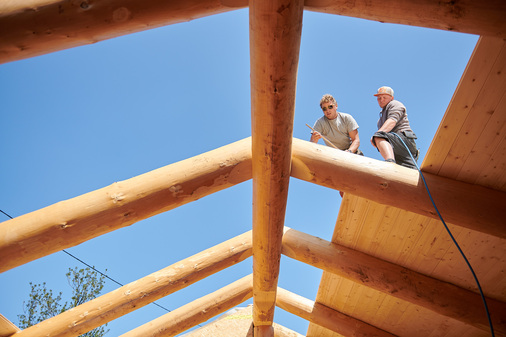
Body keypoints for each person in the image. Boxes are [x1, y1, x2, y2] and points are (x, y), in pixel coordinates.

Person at [370, 86, 419, 169]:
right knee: (407, 172)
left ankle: (390, 162)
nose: (381, 100)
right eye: (379, 98)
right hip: (395, 146)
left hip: (404, 140)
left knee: (378, 136)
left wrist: (376, 136)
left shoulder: (395, 104)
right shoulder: (380, 121)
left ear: (391, 98)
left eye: (384, 97)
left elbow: (392, 121)